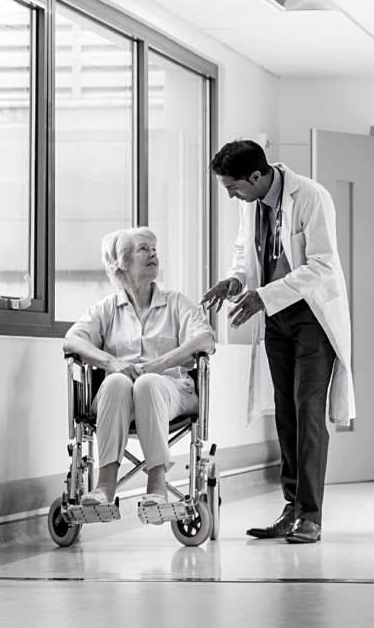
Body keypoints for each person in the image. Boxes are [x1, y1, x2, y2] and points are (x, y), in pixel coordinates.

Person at [200, 140, 354, 544]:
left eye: (234, 187)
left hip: (312, 317)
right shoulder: (250, 203)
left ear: (256, 176)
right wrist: (235, 278)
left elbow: (322, 265)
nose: (232, 195)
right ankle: (292, 508)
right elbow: (244, 249)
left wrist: (263, 296)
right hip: (275, 318)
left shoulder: (312, 197)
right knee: (285, 413)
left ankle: (312, 515)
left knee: (307, 412)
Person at [63, 227, 215, 519]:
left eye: (154, 248)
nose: (153, 253)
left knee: (147, 382)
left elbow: (205, 339)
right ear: (121, 262)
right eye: (144, 249)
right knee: (118, 381)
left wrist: (160, 364)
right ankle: (104, 485)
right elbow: (72, 340)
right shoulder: (106, 309)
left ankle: (156, 484)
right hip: (117, 401)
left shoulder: (176, 303)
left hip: (172, 394)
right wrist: (112, 363)